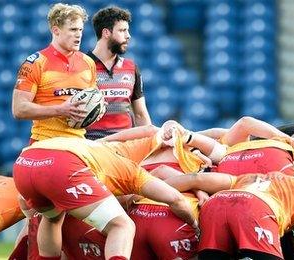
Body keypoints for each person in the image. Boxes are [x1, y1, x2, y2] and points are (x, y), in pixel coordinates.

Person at [12, 133, 198, 259]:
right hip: (62, 165)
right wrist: (194, 223)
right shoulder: (131, 171)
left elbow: (25, 203)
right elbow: (175, 199)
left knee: (52, 218)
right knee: (122, 225)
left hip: (25, 161)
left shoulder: (100, 151)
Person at [163, 169, 294, 259]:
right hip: (255, 210)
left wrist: (147, 189)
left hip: (216, 204)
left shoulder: (252, 177)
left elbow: (196, 178)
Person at [12, 3, 97, 142]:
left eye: (80, 30)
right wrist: (60, 110)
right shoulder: (35, 63)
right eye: (73, 29)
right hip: (45, 141)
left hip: (78, 143)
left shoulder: (88, 62)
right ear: (56, 30)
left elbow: (91, 101)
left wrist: (97, 109)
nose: (78, 35)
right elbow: (19, 109)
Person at [85, 6, 151, 140]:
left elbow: (140, 115)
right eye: (122, 30)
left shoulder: (131, 67)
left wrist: (150, 144)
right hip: (92, 146)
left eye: (127, 30)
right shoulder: (82, 66)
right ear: (106, 33)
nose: (128, 36)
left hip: (124, 146)